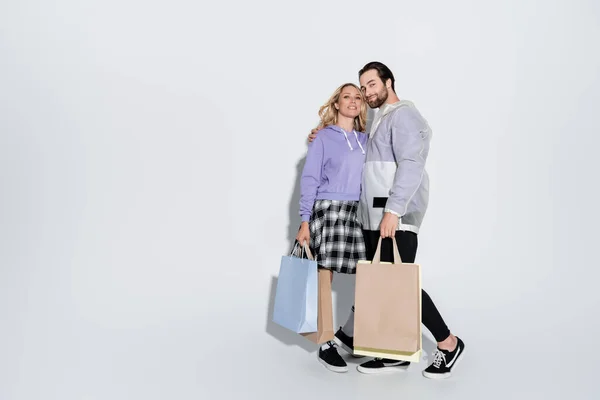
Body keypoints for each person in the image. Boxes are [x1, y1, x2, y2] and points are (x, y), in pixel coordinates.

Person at [308, 61, 465, 379]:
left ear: (389, 82)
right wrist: (327, 134)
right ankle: (353, 336)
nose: (367, 92)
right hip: (375, 216)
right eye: (363, 87)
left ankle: (447, 344)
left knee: (400, 285)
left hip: (393, 215)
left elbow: (411, 164)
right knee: (377, 281)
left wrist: (393, 211)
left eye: (372, 84)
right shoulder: (381, 120)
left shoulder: (404, 115)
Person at [296, 82, 369, 373]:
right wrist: (304, 220)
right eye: (346, 97)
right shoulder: (324, 138)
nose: (352, 101)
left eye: (358, 98)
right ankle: (325, 342)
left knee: (366, 275)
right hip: (327, 209)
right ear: (336, 104)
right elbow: (310, 178)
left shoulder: (367, 138)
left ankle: (350, 334)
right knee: (324, 278)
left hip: (356, 212)